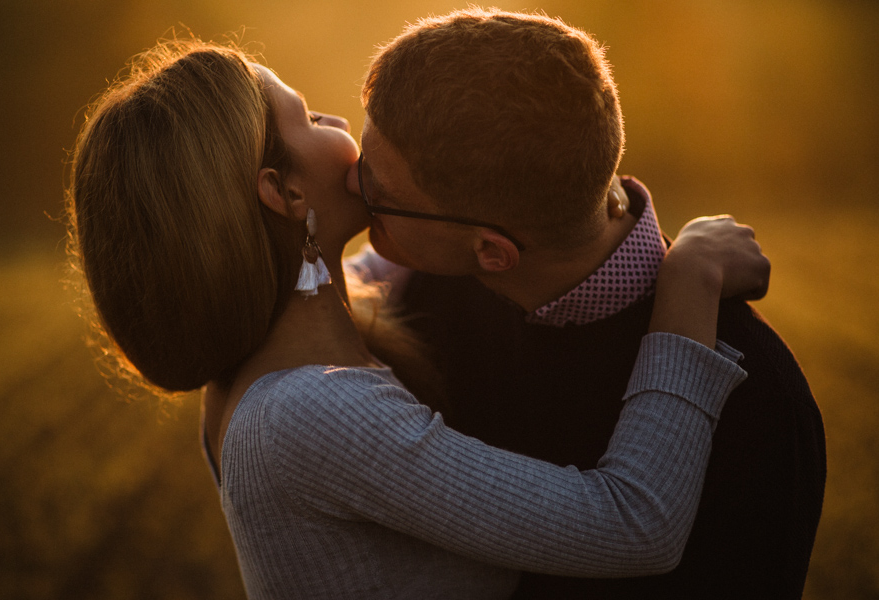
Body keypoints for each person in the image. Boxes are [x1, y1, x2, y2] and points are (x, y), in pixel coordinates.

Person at [65, 40, 769, 600]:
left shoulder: (274, 351)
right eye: (309, 117)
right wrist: (687, 281)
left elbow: (393, 258)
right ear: (282, 192)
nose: (339, 126)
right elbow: (633, 525)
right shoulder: (306, 415)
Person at [351, 7, 825, 599]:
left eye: (377, 187)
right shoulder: (431, 291)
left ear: (493, 252)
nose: (353, 186)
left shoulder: (757, 404)